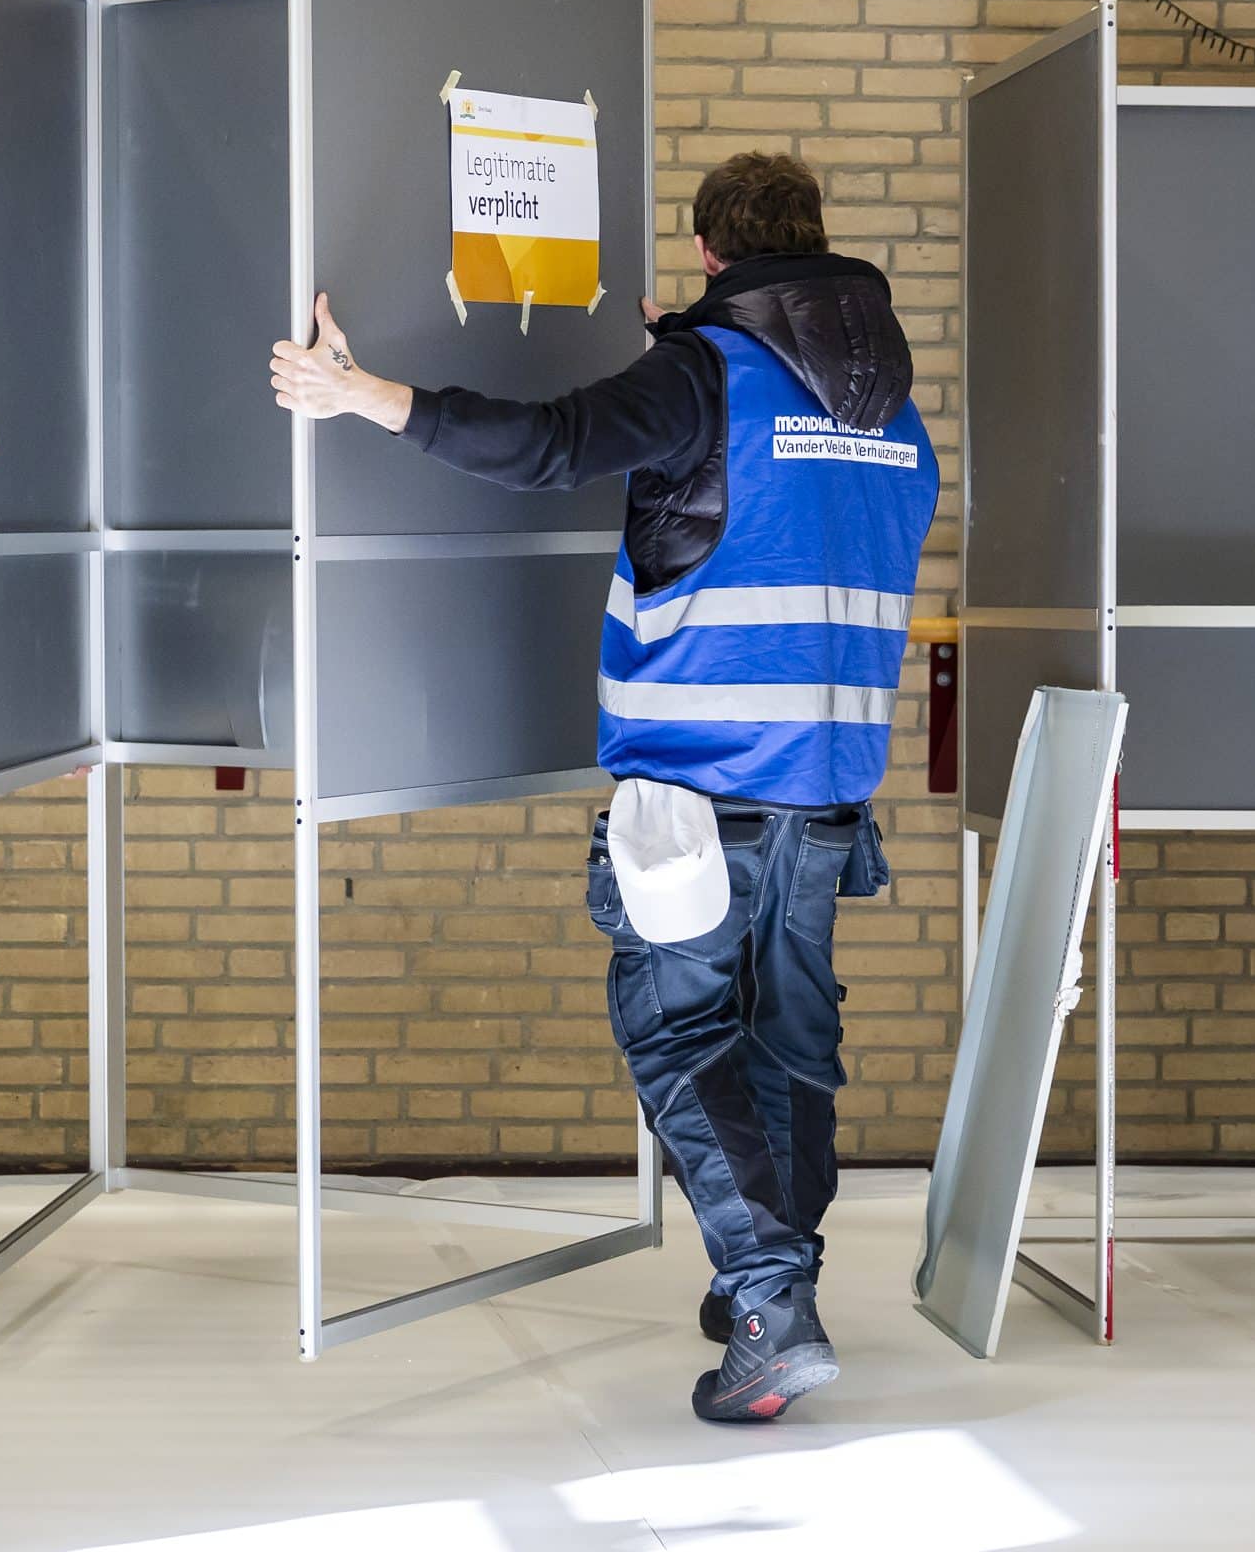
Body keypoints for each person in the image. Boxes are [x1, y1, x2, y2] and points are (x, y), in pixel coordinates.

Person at [270, 151, 938, 1421]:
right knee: (787, 1047)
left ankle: (766, 1300)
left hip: (695, 791)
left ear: (710, 256)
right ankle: (778, 1276)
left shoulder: (703, 374)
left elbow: (552, 442)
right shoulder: (890, 408)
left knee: (678, 1031)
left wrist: (357, 391)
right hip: (827, 794)